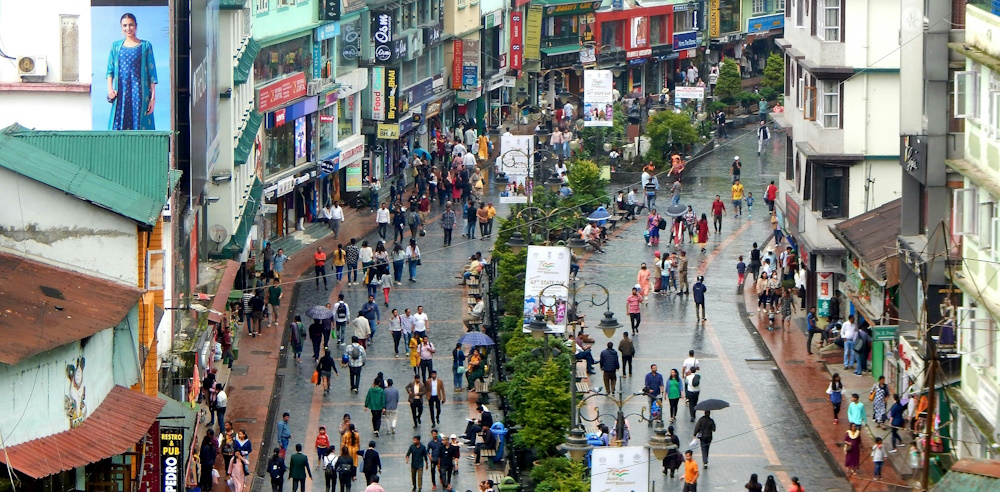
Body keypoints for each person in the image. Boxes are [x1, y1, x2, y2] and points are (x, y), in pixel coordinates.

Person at [105, 13, 158, 130]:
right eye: (125, 26)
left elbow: (152, 74)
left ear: (136, 26)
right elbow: (110, 71)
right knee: (117, 129)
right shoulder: (116, 46)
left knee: (140, 129)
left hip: (139, 94)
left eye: (131, 25)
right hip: (121, 94)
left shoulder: (145, 46)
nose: (128, 28)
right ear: (121, 27)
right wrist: (110, 90)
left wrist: (152, 99)